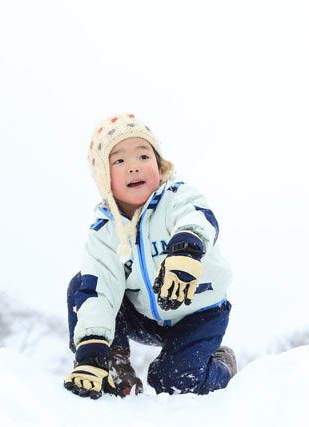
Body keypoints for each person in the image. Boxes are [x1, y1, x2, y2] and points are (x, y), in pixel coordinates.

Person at [64, 113, 235, 399]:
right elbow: (100, 291)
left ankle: (220, 365)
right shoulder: (105, 232)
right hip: (145, 315)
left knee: (172, 381)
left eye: (143, 156)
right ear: (104, 178)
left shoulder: (176, 197)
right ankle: (111, 367)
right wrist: (91, 351)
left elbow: (197, 216)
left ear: (159, 164)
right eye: (119, 161)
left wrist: (186, 247)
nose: (134, 167)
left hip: (198, 310)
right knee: (84, 283)